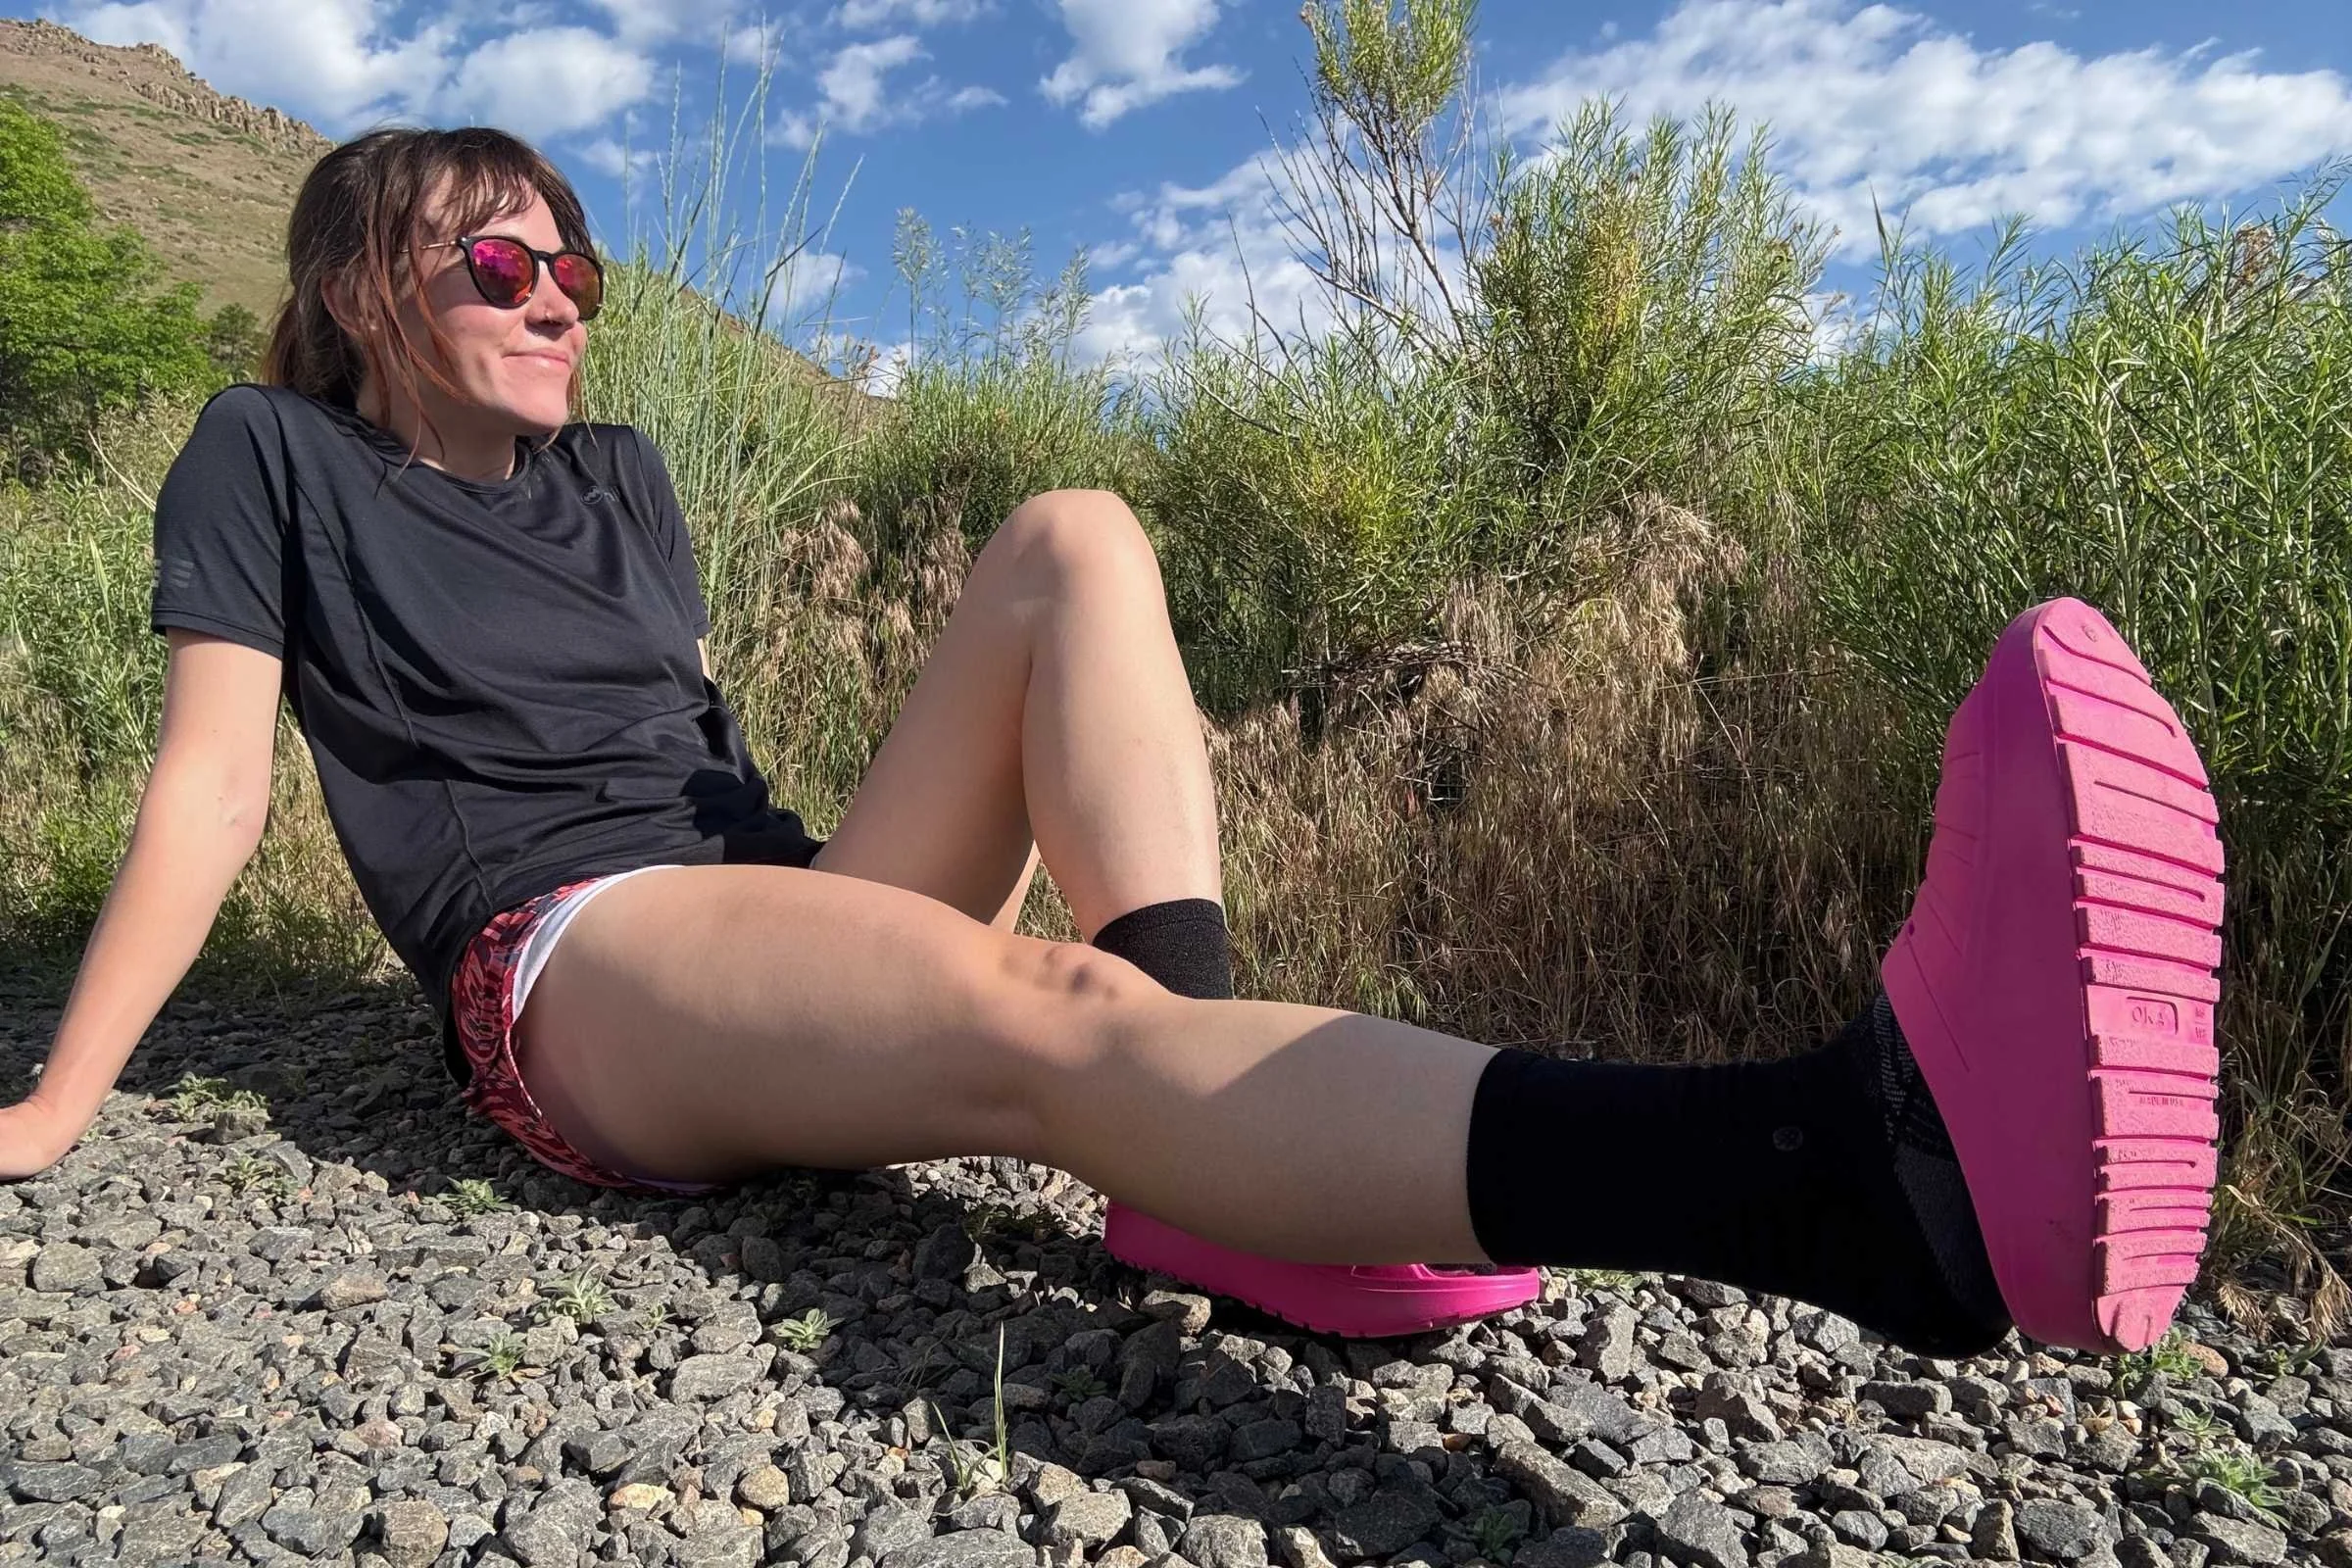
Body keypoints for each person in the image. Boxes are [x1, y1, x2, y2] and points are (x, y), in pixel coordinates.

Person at [0, 127, 2227, 1360]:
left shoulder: (624, 476)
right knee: (1048, 1011)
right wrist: (60, 1101)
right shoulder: (268, 454)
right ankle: (1842, 1180)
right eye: (505, 266)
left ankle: (1196, 1150)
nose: (562, 295)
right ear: (370, 288)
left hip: (763, 902)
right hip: (574, 961)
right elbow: (215, 784)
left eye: (579, 265)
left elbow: (695, 740)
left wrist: (833, 904)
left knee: (1076, 531)